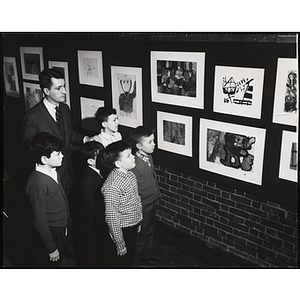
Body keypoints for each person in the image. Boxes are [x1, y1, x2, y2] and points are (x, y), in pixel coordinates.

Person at [21, 68, 96, 197]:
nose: (64, 91)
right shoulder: (32, 116)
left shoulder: (65, 108)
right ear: (46, 91)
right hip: (51, 175)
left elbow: (69, 134)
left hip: (69, 171)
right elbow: (28, 149)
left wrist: (86, 139)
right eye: (59, 88)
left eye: (64, 86)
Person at [25, 132, 70, 266]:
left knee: (60, 259)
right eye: (57, 154)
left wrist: (65, 225)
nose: (62, 155)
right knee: (52, 263)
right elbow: (39, 221)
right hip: (50, 230)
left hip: (60, 226)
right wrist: (51, 248)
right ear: (44, 159)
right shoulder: (37, 182)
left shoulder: (53, 171)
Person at [100, 140, 143, 266]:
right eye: (129, 155)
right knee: (122, 263)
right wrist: (120, 244)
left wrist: (138, 220)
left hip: (132, 225)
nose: (133, 156)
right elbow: (112, 217)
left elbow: (136, 199)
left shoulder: (130, 175)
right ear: (118, 163)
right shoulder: (112, 186)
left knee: (130, 260)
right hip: (122, 230)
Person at [129, 126, 161, 267]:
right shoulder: (135, 164)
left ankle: (145, 257)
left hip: (151, 201)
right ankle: (136, 262)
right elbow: (133, 190)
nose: (154, 144)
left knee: (150, 231)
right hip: (142, 206)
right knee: (140, 235)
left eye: (153, 141)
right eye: (149, 142)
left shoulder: (149, 157)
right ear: (138, 146)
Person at [75, 141, 109, 265]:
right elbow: (90, 206)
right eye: (99, 156)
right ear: (90, 161)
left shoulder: (101, 171)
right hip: (93, 224)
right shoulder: (87, 180)